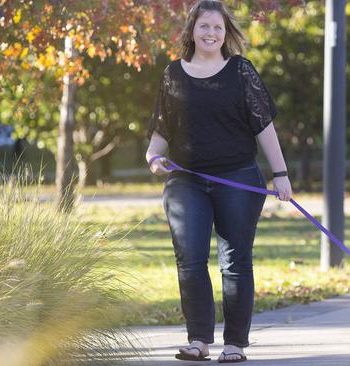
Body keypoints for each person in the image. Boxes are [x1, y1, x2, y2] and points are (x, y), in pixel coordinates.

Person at [145, 0, 292, 363]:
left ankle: (235, 345)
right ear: (191, 30)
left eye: (218, 28)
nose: (211, 33)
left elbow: (264, 126)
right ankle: (198, 340)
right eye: (204, 27)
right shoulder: (173, 74)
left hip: (238, 177)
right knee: (190, 260)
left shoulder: (241, 71)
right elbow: (163, 129)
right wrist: (152, 157)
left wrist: (281, 174)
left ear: (226, 34)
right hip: (185, 180)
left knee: (235, 262)